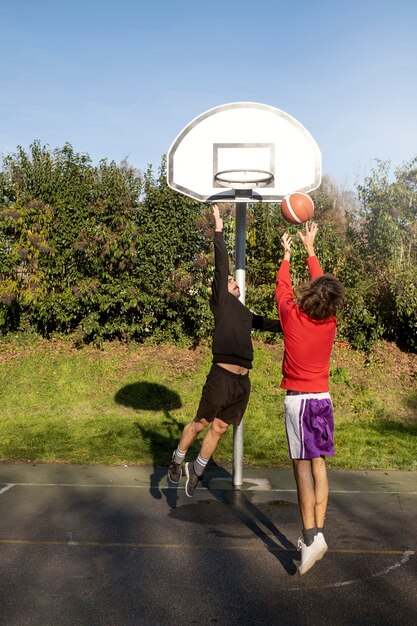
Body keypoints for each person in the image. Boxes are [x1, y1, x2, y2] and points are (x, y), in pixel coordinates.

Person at [168, 204, 281, 496]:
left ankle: (197, 468)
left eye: (233, 281)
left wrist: (297, 322)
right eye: (230, 280)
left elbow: (270, 324)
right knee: (200, 423)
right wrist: (218, 227)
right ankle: (178, 458)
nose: (233, 281)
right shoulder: (221, 301)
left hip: (243, 382)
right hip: (222, 376)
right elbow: (222, 265)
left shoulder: (244, 312)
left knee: (218, 429)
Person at [275, 222, 345, 576]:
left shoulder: (292, 317)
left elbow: (283, 289)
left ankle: (310, 535)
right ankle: (318, 533)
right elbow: (323, 291)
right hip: (323, 400)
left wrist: (288, 256)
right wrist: (311, 251)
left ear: (310, 294)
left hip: (299, 402)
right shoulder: (329, 323)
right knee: (319, 465)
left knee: (301, 466)